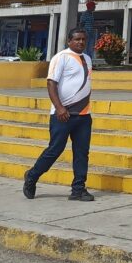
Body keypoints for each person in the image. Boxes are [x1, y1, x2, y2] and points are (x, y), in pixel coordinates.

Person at [23, 28, 94, 202]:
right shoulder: (61, 57)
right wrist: (59, 107)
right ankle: (32, 176)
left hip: (84, 115)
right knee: (55, 150)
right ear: (69, 41)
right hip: (63, 114)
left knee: (81, 153)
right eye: (77, 39)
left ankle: (78, 189)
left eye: (83, 39)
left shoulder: (88, 59)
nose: (81, 42)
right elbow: (51, 83)